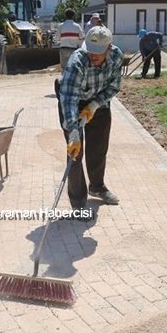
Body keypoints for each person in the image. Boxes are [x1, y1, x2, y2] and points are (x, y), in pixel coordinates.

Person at [56, 25, 123, 219]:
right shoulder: (77, 60)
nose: (93, 56)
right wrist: (74, 132)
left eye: (98, 53)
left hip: (99, 101)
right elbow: (68, 98)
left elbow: (114, 87)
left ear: (108, 48)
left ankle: (97, 187)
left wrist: (94, 106)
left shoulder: (116, 57)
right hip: (73, 101)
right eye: (90, 51)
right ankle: (78, 204)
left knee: (99, 147)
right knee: (75, 152)